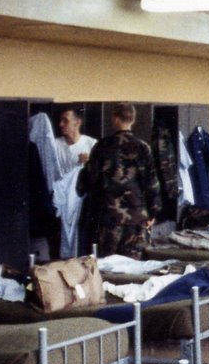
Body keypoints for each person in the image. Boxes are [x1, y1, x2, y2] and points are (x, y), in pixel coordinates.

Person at [77, 103, 162, 257]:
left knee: (108, 268)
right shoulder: (143, 147)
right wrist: (153, 212)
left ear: (115, 118)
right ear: (133, 120)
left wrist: (86, 166)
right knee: (135, 270)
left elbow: (88, 181)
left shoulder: (102, 146)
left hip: (109, 219)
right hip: (137, 219)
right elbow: (152, 183)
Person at [54, 106, 97, 174]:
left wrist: (90, 163)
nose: (60, 124)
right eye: (61, 120)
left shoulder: (92, 144)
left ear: (77, 123)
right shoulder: (54, 145)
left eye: (65, 121)